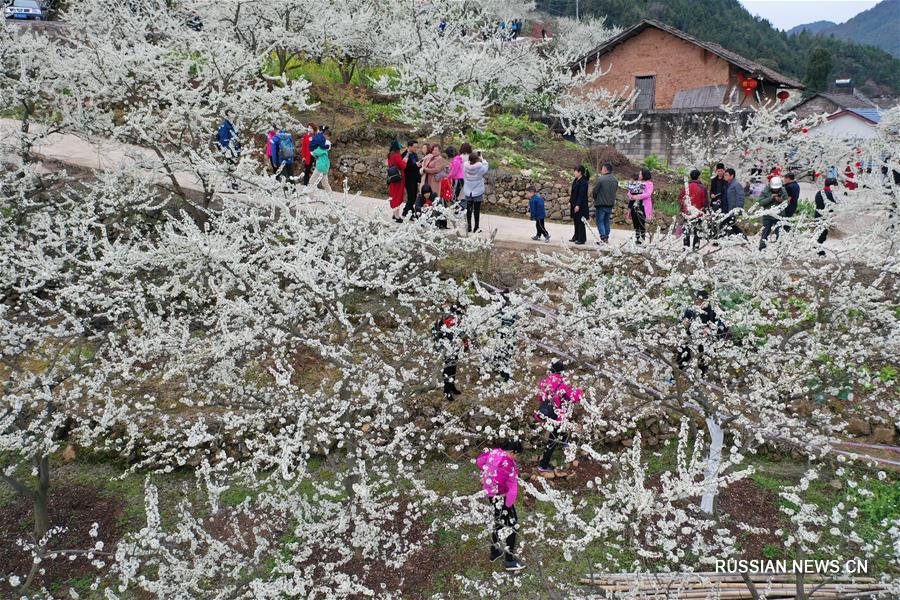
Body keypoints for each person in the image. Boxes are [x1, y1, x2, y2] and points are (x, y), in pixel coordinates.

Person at [476, 440, 526, 572]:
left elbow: (480, 461)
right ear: (512, 452)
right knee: (513, 525)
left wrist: (486, 475)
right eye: (517, 455)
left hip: (491, 495)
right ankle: (509, 561)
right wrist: (506, 497)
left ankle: (494, 551)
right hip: (501, 496)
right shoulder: (507, 462)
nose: (516, 458)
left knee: (499, 522)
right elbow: (506, 483)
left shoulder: (494, 452)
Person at [534, 361, 582, 473]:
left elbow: (540, 397)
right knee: (553, 439)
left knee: (562, 428)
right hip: (558, 416)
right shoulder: (563, 383)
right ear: (562, 371)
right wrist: (579, 391)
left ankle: (565, 442)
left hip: (546, 412)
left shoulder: (544, 381)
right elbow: (573, 397)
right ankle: (543, 465)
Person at [676, 290, 730, 376]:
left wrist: (709, 330)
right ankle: (675, 374)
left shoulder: (713, 311)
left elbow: (719, 326)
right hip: (691, 336)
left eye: (702, 300)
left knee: (703, 359)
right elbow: (684, 321)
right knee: (683, 355)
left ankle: (700, 377)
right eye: (697, 299)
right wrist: (684, 323)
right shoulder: (692, 310)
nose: (699, 302)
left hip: (706, 340)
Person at [433, 304, 468, 401]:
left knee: (453, 367)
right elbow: (457, 333)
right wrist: (465, 344)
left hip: (454, 346)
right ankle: (447, 390)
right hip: (447, 348)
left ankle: (452, 387)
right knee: (448, 369)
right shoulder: (450, 319)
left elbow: (461, 332)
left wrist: (465, 344)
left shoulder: (454, 318)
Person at [757, 176, 788, 250]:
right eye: (774, 189)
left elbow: (787, 202)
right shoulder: (765, 190)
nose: (776, 190)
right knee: (765, 233)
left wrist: (781, 200)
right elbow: (760, 202)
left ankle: (780, 249)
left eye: (777, 189)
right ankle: (762, 248)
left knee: (779, 233)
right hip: (768, 216)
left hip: (779, 216)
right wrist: (770, 198)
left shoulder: (783, 190)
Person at [679, 169, 707, 250]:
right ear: (699, 177)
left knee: (686, 230)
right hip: (698, 212)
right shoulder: (702, 187)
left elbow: (680, 198)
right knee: (697, 230)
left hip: (687, 212)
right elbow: (705, 201)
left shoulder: (686, 186)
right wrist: (705, 211)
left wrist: (683, 209)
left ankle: (685, 247)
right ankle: (695, 248)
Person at [463, 152, 489, 233]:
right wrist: (482, 159)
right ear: (477, 159)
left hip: (468, 190)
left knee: (469, 209)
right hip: (477, 191)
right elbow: (486, 166)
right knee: (476, 210)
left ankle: (469, 227)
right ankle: (476, 227)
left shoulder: (465, 167)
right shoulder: (480, 169)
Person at [626, 168, 653, 245]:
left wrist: (637, 196)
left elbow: (648, 194)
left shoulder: (649, 184)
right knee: (635, 222)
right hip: (635, 205)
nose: (639, 175)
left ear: (644, 175)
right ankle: (637, 238)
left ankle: (642, 239)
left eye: (640, 174)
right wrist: (631, 196)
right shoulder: (638, 183)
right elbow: (630, 192)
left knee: (641, 222)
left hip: (643, 206)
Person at [592, 162, 617, 244]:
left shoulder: (601, 179)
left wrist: (596, 198)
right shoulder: (615, 180)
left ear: (606, 170)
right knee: (606, 221)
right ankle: (606, 237)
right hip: (610, 204)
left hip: (601, 204)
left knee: (600, 221)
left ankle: (603, 238)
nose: (601, 170)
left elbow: (595, 191)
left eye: (602, 169)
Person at [721, 168, 747, 240]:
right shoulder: (728, 184)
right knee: (731, 225)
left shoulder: (736, 184)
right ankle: (743, 239)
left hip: (732, 209)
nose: (724, 177)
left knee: (726, 224)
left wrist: (738, 209)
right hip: (726, 208)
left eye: (726, 175)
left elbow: (740, 197)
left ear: (732, 176)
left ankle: (725, 239)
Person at [814, 177, 838, 255]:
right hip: (825, 216)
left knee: (820, 232)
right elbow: (834, 205)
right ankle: (818, 249)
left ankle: (817, 246)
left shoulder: (819, 192)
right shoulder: (830, 194)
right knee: (822, 234)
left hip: (818, 214)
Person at [387, 140, 407, 222]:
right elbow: (402, 166)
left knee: (393, 195)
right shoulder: (397, 155)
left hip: (392, 177)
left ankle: (394, 213)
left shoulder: (390, 155)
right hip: (399, 178)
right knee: (398, 196)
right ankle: (397, 216)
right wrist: (405, 161)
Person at [307, 132, 332, 198]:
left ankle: (311, 197)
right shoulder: (325, 149)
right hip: (325, 167)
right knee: (324, 183)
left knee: (312, 180)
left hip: (320, 167)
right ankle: (330, 196)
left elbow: (313, 153)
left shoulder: (321, 148)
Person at [569, 165, 589, 245]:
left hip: (581, 205)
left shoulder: (584, 182)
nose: (574, 173)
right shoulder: (575, 180)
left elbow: (581, 195)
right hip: (574, 203)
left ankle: (582, 239)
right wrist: (570, 201)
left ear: (580, 172)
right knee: (576, 221)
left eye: (575, 171)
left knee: (580, 221)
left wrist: (578, 205)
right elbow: (573, 193)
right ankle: (576, 236)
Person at [402, 141, 421, 220]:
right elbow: (404, 167)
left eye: (416, 147)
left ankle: (406, 211)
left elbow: (416, 164)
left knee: (413, 196)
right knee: (411, 196)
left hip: (414, 178)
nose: (415, 148)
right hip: (408, 178)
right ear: (409, 146)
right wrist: (415, 165)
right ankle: (409, 213)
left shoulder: (415, 154)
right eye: (414, 147)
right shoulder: (405, 154)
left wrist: (418, 164)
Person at [455, 143, 472, 211]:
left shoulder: (460, 157)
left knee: (459, 193)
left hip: (461, 178)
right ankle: (467, 208)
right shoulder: (471, 157)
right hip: (469, 178)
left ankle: (458, 207)